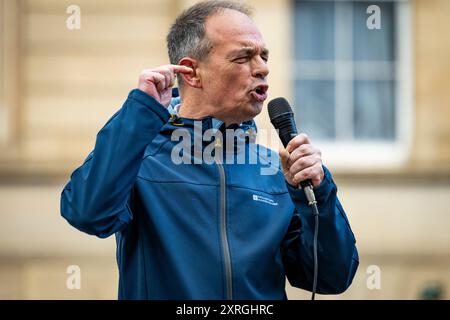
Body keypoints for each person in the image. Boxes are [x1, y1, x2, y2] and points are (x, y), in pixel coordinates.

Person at [60, 0, 359, 299]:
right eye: (243, 57)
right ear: (191, 73)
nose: (263, 68)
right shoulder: (138, 158)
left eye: (264, 56)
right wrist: (140, 112)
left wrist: (316, 193)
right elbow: (87, 214)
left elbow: (332, 277)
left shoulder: (275, 169)